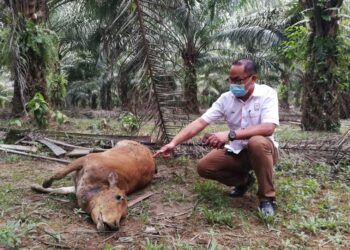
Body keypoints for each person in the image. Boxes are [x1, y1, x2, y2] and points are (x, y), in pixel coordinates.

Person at [153, 59, 279, 216]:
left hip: (264, 151)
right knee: (205, 167)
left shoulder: (267, 94)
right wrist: (173, 143)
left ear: (253, 78)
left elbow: (268, 127)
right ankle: (244, 181)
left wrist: (229, 135)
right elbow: (200, 122)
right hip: (238, 151)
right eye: (231, 79)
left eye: (238, 80)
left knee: (257, 142)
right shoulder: (226, 99)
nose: (233, 84)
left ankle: (267, 198)